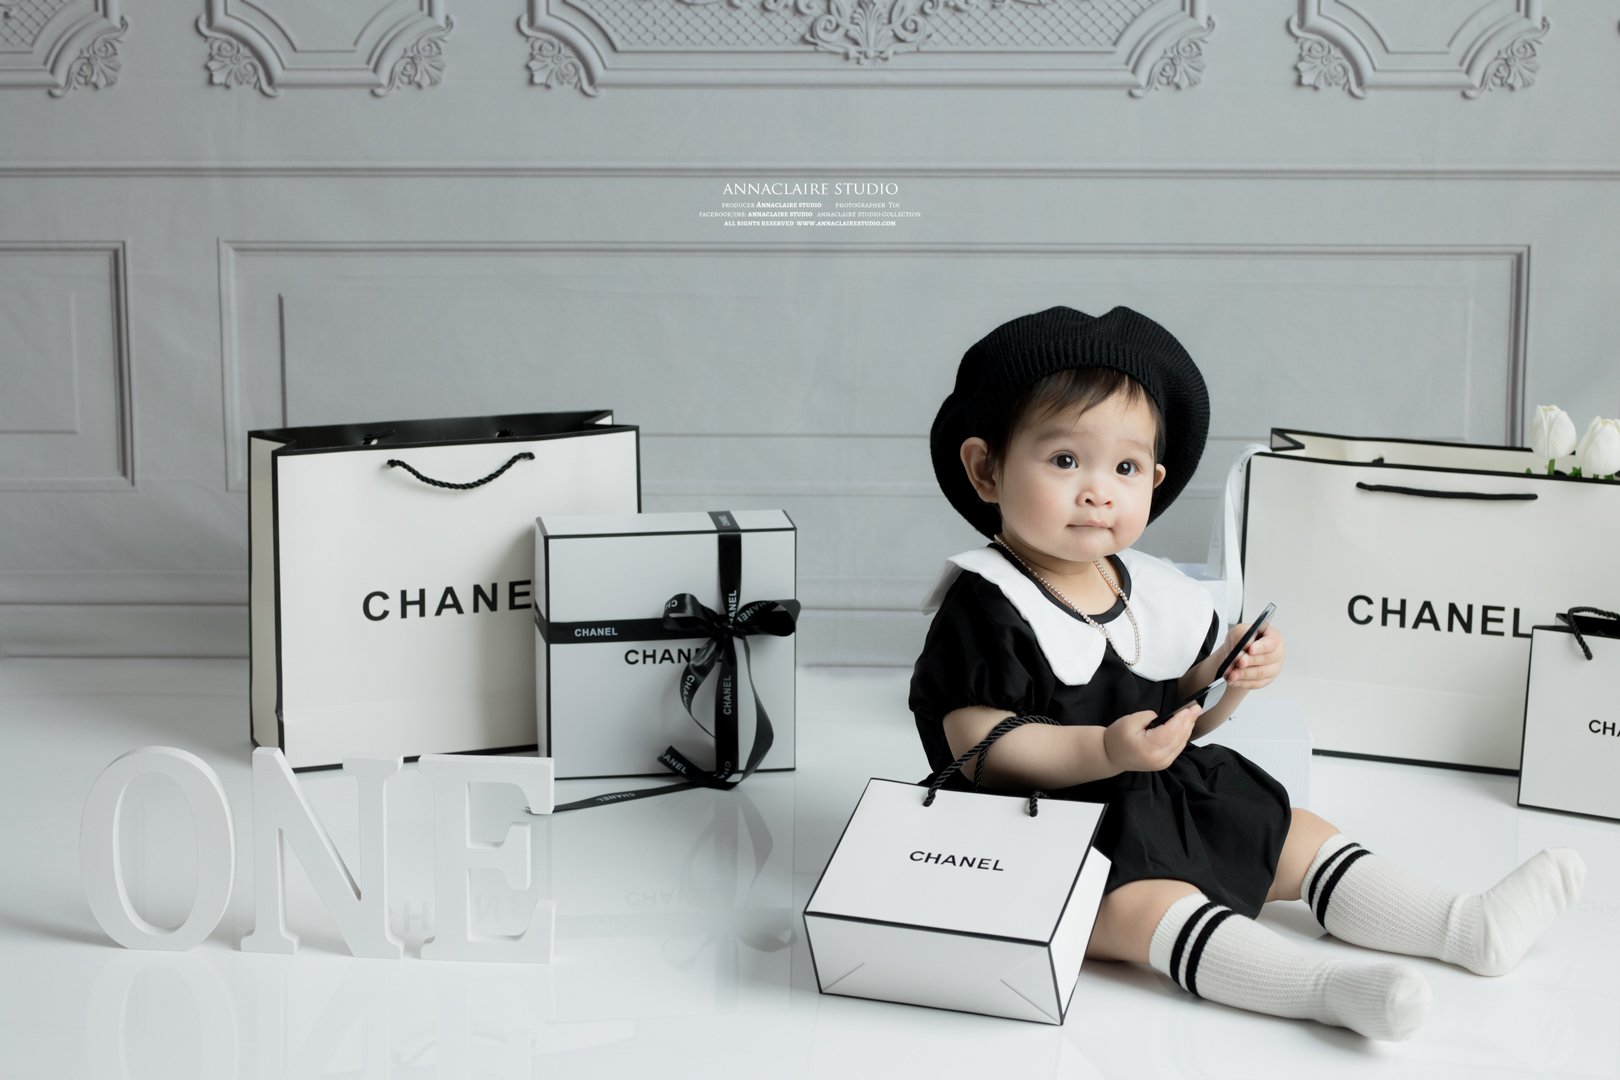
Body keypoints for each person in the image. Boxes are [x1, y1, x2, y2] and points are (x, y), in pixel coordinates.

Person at [909, 305, 1585, 1041]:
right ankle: (1323, 988)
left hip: (1152, 787)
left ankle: (1464, 926)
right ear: (986, 469)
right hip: (1042, 826)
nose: (1098, 489)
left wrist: (1227, 677)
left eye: (1126, 468)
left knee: (1287, 830)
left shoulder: (1146, 587)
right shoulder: (987, 601)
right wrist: (1105, 751)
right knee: (1141, 906)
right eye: (1065, 460)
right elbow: (983, 745)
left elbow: (1181, 713)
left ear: (1155, 480)